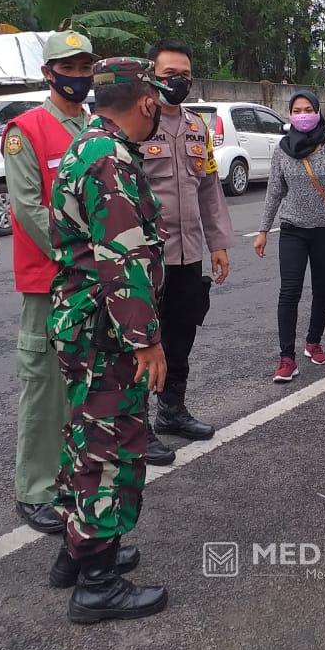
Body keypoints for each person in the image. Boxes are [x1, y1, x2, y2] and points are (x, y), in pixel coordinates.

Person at [48, 56, 172, 623]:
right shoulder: (108, 160)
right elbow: (123, 258)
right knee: (111, 447)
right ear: (146, 101)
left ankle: (78, 554)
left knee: (84, 434)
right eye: (158, 100)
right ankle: (97, 583)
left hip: (84, 322)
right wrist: (146, 339)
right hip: (108, 331)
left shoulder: (87, 144)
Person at [1, 30, 95, 535]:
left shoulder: (95, 126)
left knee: (84, 383)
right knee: (43, 386)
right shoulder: (25, 131)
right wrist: (75, 255)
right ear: (48, 73)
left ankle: (71, 478)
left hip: (94, 278)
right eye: (69, 68)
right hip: (51, 279)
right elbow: (28, 207)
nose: (78, 77)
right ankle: (34, 487)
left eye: (85, 68)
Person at [139, 40, 234, 449]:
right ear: (151, 77)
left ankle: (172, 411)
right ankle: (135, 426)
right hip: (147, 254)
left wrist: (218, 243)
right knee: (143, 337)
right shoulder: (138, 124)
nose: (177, 81)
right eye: (168, 75)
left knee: (181, 333)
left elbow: (210, 187)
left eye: (184, 75)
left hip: (188, 252)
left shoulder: (197, 126)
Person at [253, 90, 325, 382]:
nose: (302, 115)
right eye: (296, 110)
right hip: (292, 229)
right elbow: (274, 192)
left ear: (318, 111)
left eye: (307, 109)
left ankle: (313, 341)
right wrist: (262, 230)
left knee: (322, 287)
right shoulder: (282, 149)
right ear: (290, 115)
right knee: (289, 291)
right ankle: (287, 358)